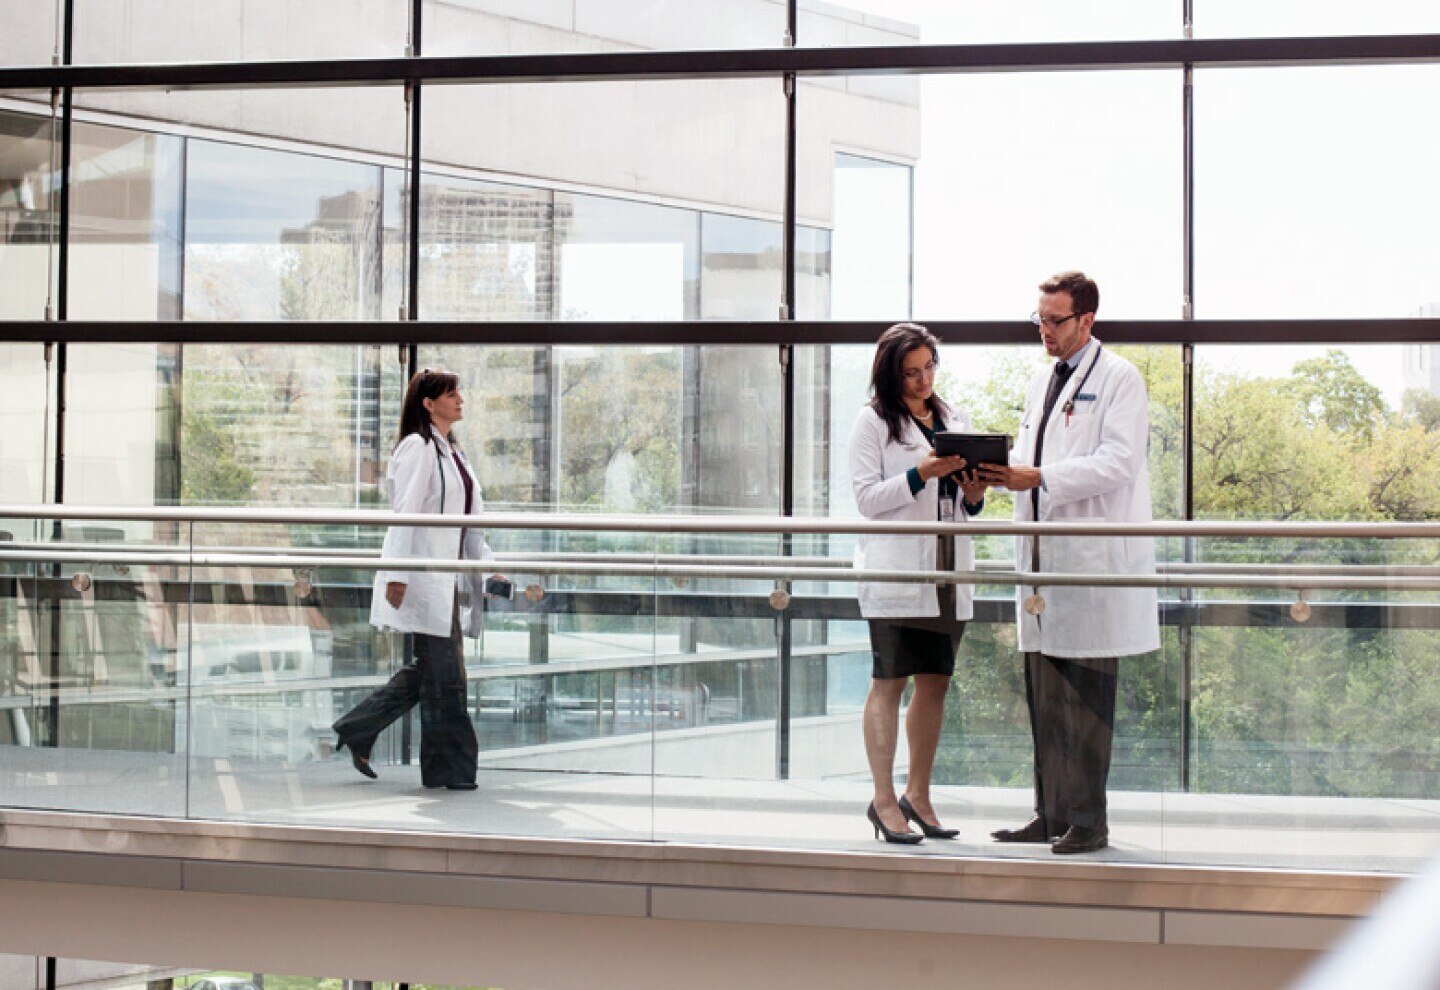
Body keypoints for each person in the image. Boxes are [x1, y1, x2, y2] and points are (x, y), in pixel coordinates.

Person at [974, 271, 1159, 854]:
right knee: (1045, 697)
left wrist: (1041, 477)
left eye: (1055, 320)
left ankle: (1089, 822)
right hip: (1040, 561)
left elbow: (1119, 462)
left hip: (1090, 563)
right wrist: (1002, 472)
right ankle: (1049, 815)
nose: (1044, 330)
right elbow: (1035, 456)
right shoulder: (1041, 379)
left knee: (1085, 702)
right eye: (1040, 319)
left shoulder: (1120, 378)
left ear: (1087, 321)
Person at [849, 323, 987, 844]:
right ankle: (884, 802)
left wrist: (974, 491)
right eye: (911, 372)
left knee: (935, 683)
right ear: (891, 374)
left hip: (949, 570)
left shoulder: (953, 419)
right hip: (898, 571)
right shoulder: (873, 423)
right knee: (890, 682)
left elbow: (969, 507)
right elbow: (866, 499)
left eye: (929, 367)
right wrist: (921, 474)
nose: (922, 379)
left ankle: (919, 795)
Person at [333, 368, 503, 791]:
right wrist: (396, 573)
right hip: (423, 578)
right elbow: (405, 512)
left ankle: (360, 727)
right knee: (448, 675)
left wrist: (490, 565)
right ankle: (452, 773)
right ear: (429, 403)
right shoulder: (418, 446)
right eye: (451, 393)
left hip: (448, 579)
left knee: (435, 670)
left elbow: (468, 525)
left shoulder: (454, 452)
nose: (460, 399)